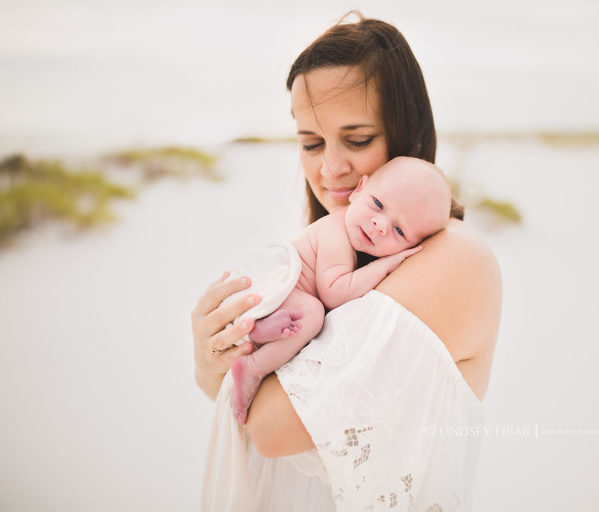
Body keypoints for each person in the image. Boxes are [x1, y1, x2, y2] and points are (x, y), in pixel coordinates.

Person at [191, 13, 501, 511]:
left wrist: (232, 368)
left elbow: (270, 427)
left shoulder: (455, 259)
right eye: (311, 142)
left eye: (357, 140)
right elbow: (243, 409)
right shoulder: (325, 252)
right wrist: (210, 360)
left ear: (409, 135)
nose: (329, 168)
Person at [226, 157, 452, 425]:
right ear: (359, 190)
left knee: (305, 310)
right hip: (268, 289)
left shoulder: (349, 231)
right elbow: (335, 292)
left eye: (399, 231)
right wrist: (382, 266)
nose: (380, 224)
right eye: (378, 204)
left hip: (272, 297)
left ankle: (262, 328)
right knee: (312, 313)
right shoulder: (336, 231)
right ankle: (253, 367)